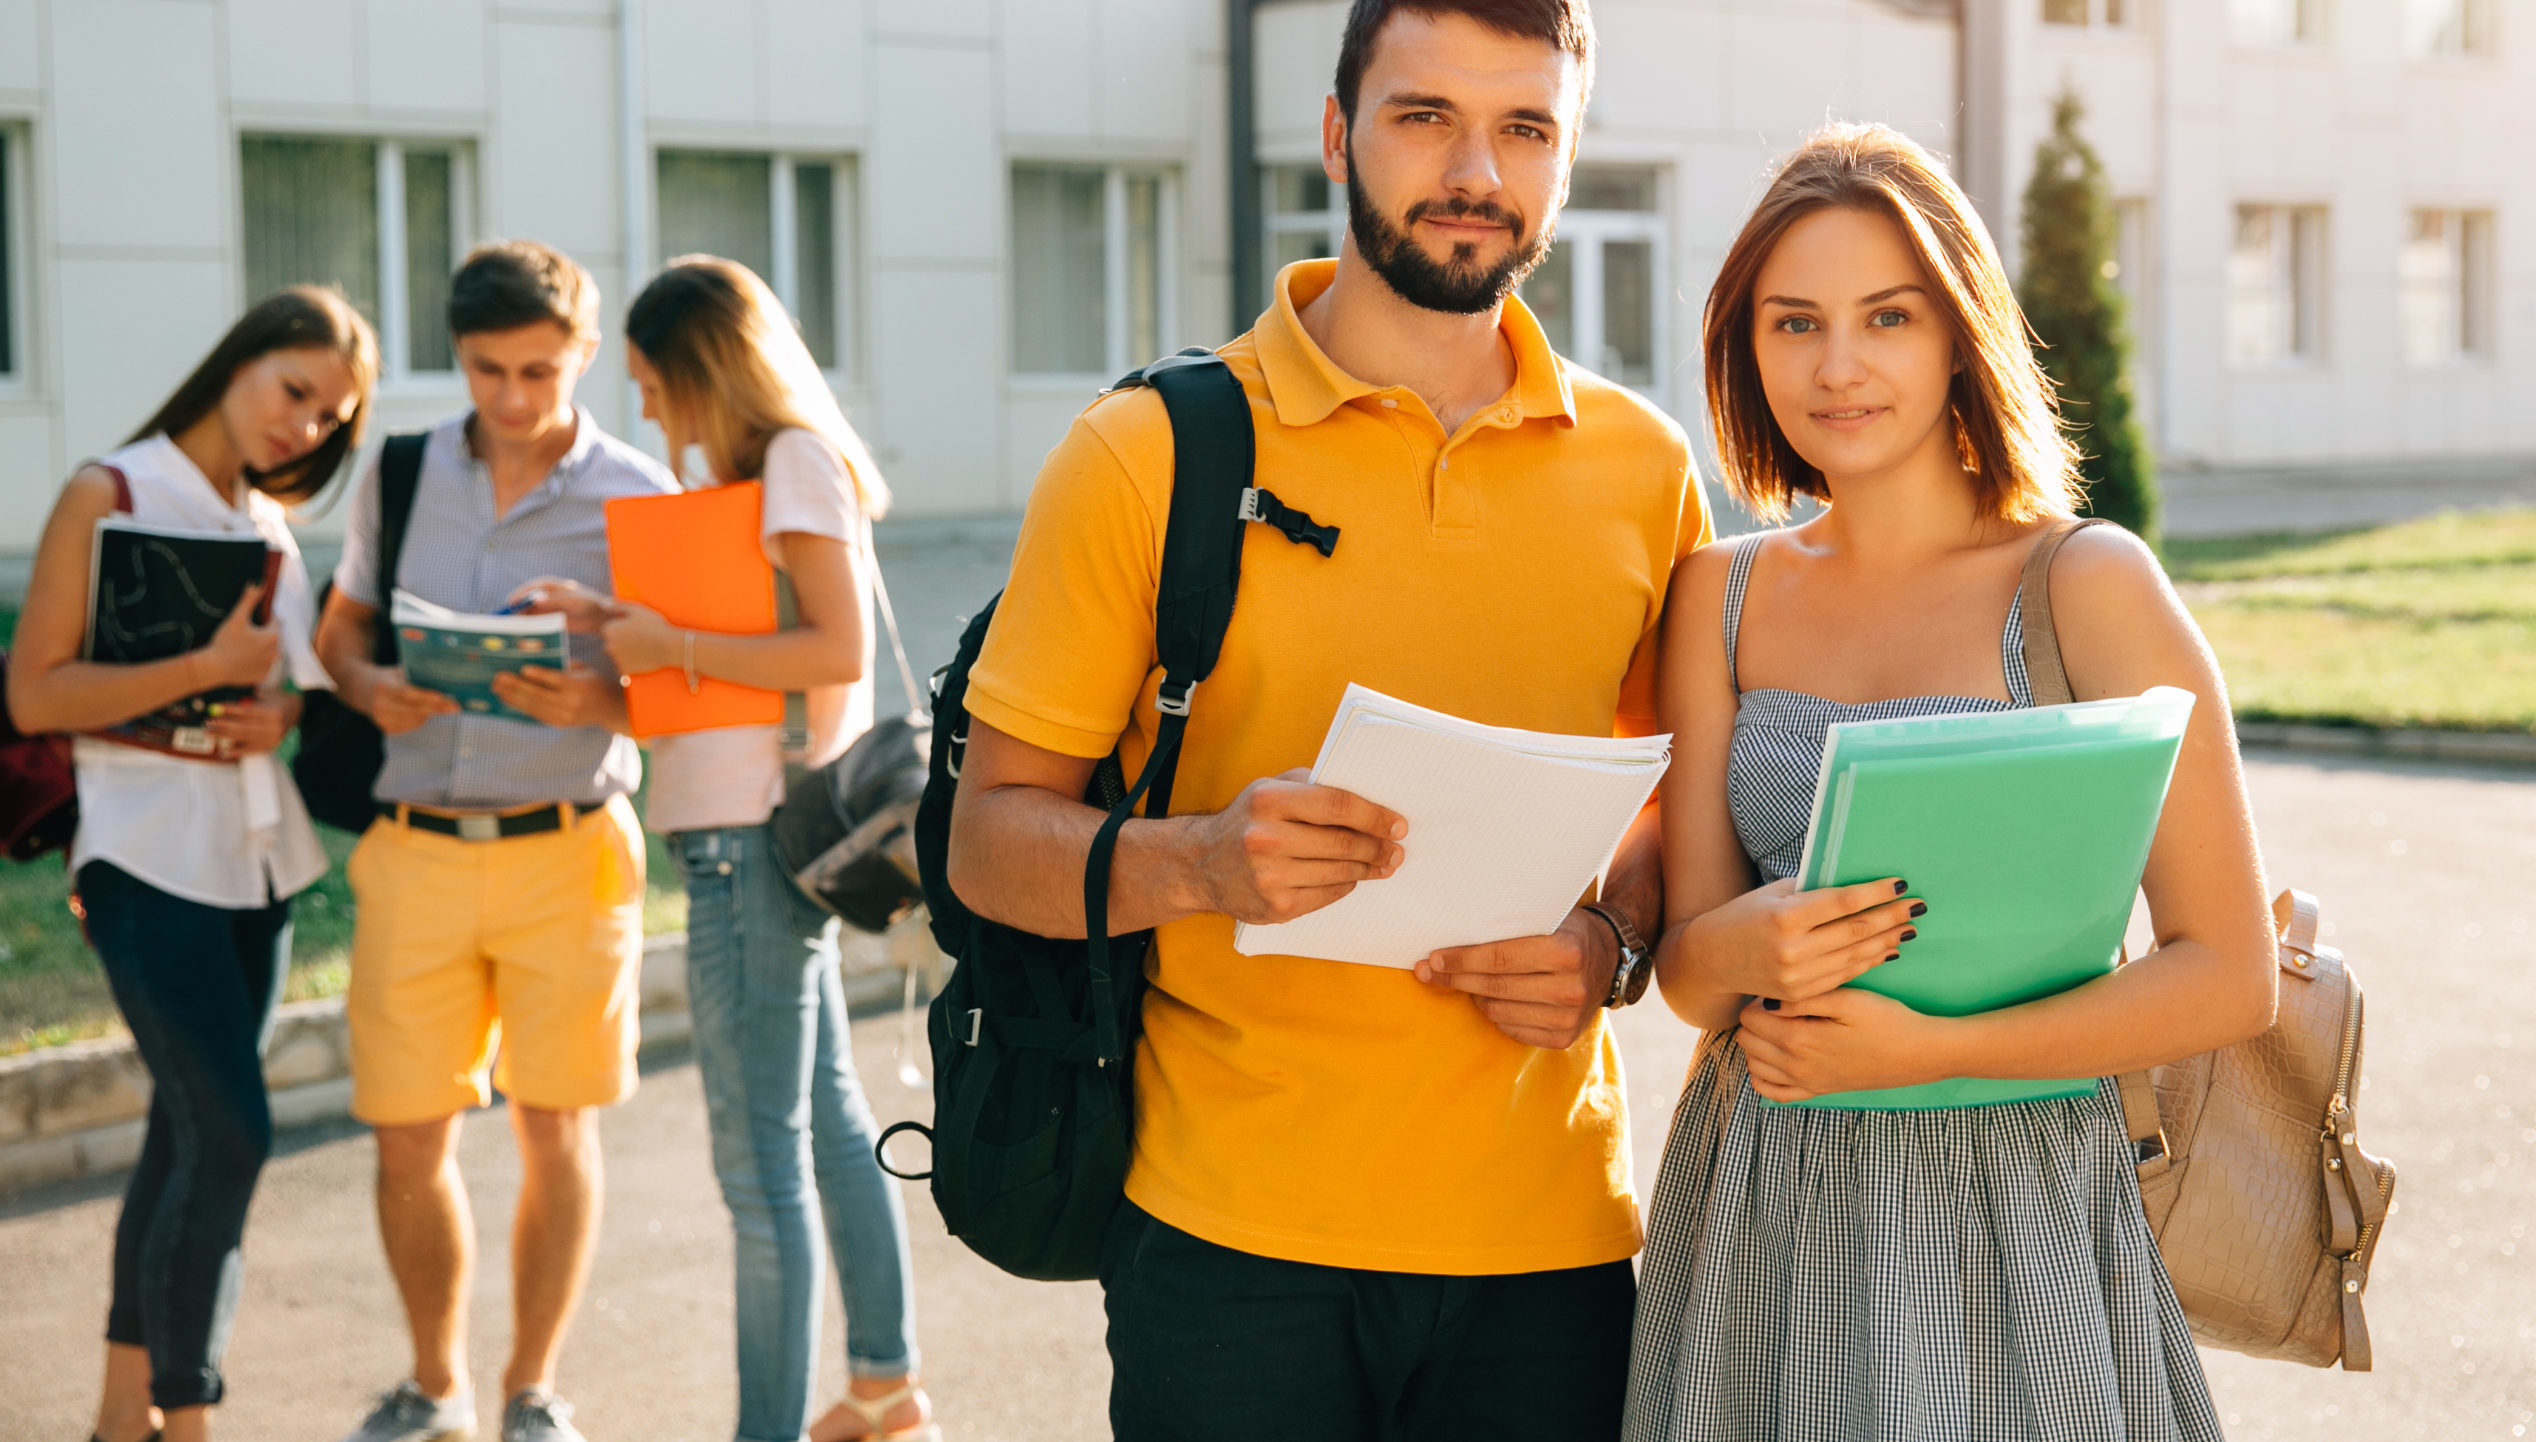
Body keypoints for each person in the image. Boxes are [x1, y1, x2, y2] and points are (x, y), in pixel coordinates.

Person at [947, 2, 1711, 1436]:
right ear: (1336, 133)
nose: (1475, 168)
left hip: (1549, 1246)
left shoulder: (1645, 469)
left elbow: (1672, 812)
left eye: (1525, 128)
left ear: (1566, 158)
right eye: (1424, 115)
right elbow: (991, 843)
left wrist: (1608, 945)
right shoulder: (1144, 454)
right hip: (1228, 1244)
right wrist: (1202, 862)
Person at [1623, 123, 2275, 1441]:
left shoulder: (2089, 584)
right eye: (1794, 324)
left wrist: (1938, 1051)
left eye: (1888, 316)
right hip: (1767, 1185)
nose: (1840, 365)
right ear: (1746, 349)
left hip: (2018, 1192)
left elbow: (2229, 970)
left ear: (1959, 332)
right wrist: (1745, 937)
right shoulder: (1719, 594)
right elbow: (1689, 969)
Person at [518, 255, 934, 1442]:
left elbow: (832, 653)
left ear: (707, 368)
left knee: (760, 1175)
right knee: (829, 1124)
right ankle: (884, 1384)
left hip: (749, 845)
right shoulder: (775, 472)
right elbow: (759, 647)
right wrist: (617, 630)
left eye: (655, 383)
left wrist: (674, 641)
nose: (647, 411)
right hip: (748, 832)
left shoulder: (795, 461)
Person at [316, 241, 675, 1442]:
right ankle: (435, 1385)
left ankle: (532, 1387)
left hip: (567, 845)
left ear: (582, 356)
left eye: (537, 369)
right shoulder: (402, 472)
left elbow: (692, 688)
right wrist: (370, 689)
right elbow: (340, 634)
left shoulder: (639, 492)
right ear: (457, 357)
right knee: (409, 1133)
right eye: (486, 370)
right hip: (414, 842)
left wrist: (605, 701)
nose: (513, 397)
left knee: (553, 1125)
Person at [5, 287, 377, 1442]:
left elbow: (271, 690)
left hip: (256, 867)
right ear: (240, 362)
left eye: (331, 416)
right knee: (233, 1132)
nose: (305, 426)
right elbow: (35, 693)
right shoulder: (108, 491)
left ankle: (125, 1414)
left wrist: (267, 709)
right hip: (142, 858)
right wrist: (204, 666)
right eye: (294, 391)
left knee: (186, 1131)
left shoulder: (264, 524)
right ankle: (191, 1411)